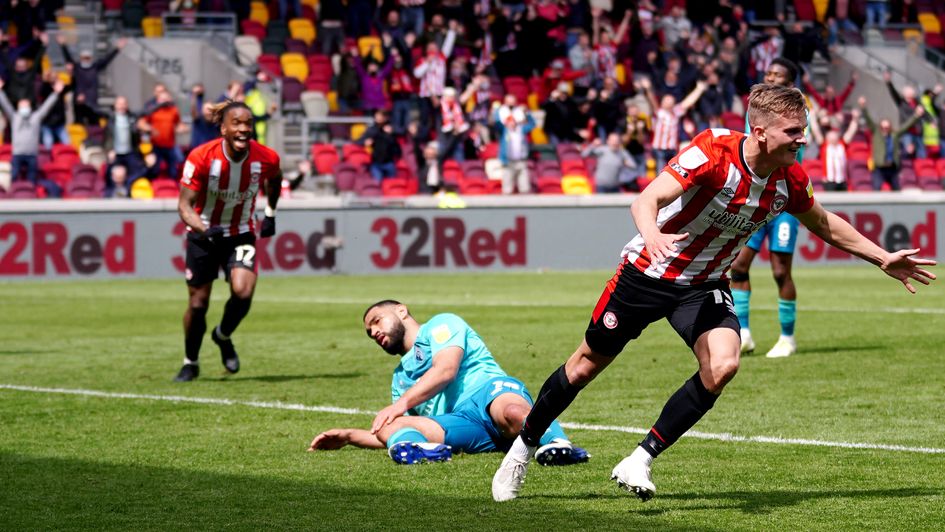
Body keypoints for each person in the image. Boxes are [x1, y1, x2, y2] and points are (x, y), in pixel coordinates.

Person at [491, 84, 936, 502]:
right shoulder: (713, 151)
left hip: (704, 286)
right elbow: (646, 199)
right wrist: (651, 234)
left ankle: (639, 459)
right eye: (793, 132)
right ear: (760, 133)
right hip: (648, 274)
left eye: (803, 130)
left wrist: (881, 257)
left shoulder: (788, 178)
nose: (803, 140)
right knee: (585, 366)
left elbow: (823, 223)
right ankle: (522, 448)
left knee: (723, 364)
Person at [309, 300, 590, 466]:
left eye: (376, 321)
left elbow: (446, 370)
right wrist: (348, 437)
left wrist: (400, 404)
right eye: (370, 333)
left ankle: (557, 443)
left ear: (402, 311)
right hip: (459, 423)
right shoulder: (400, 378)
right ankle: (425, 453)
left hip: (488, 392)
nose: (374, 332)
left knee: (512, 413)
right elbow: (390, 432)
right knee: (390, 424)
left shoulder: (441, 325)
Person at [173, 100, 283, 382]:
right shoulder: (201, 157)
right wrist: (203, 229)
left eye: (248, 123)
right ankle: (191, 362)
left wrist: (270, 213)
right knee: (198, 304)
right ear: (223, 128)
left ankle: (222, 335)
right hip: (204, 235)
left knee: (244, 291)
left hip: (241, 233)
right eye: (237, 123)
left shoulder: (265, 157)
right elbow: (184, 206)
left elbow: (276, 178)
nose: (244, 129)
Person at [730, 57, 804, 358]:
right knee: (737, 266)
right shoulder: (759, 113)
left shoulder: (796, 114)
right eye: (769, 73)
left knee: (779, 271)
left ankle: (787, 338)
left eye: (778, 75)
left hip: (783, 201)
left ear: (790, 83)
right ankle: (744, 334)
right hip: (756, 200)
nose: (771, 78)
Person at [0, 76, 65, 197]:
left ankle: (30, 197)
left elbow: (47, 106)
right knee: (13, 179)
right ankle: (11, 197)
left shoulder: (35, 118)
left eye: (26, 105)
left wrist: (56, 94)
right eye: (22, 106)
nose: (25, 108)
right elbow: (5, 105)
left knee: (32, 181)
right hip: (17, 154)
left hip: (32, 155)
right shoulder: (14, 117)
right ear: (19, 108)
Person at [861, 96, 924, 191]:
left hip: (892, 167)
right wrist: (863, 108)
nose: (885, 129)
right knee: (876, 188)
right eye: (883, 128)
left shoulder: (894, 134)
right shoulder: (876, 133)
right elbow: (869, 120)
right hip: (879, 167)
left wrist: (916, 116)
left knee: (896, 189)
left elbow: (906, 126)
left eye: (887, 127)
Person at [493, 95, 535, 195]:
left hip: (521, 160)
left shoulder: (521, 129)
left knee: (524, 187)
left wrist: (527, 113)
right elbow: (497, 122)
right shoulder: (504, 130)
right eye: (509, 121)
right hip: (508, 161)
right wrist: (499, 109)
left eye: (513, 121)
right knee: (507, 188)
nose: (511, 123)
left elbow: (532, 124)